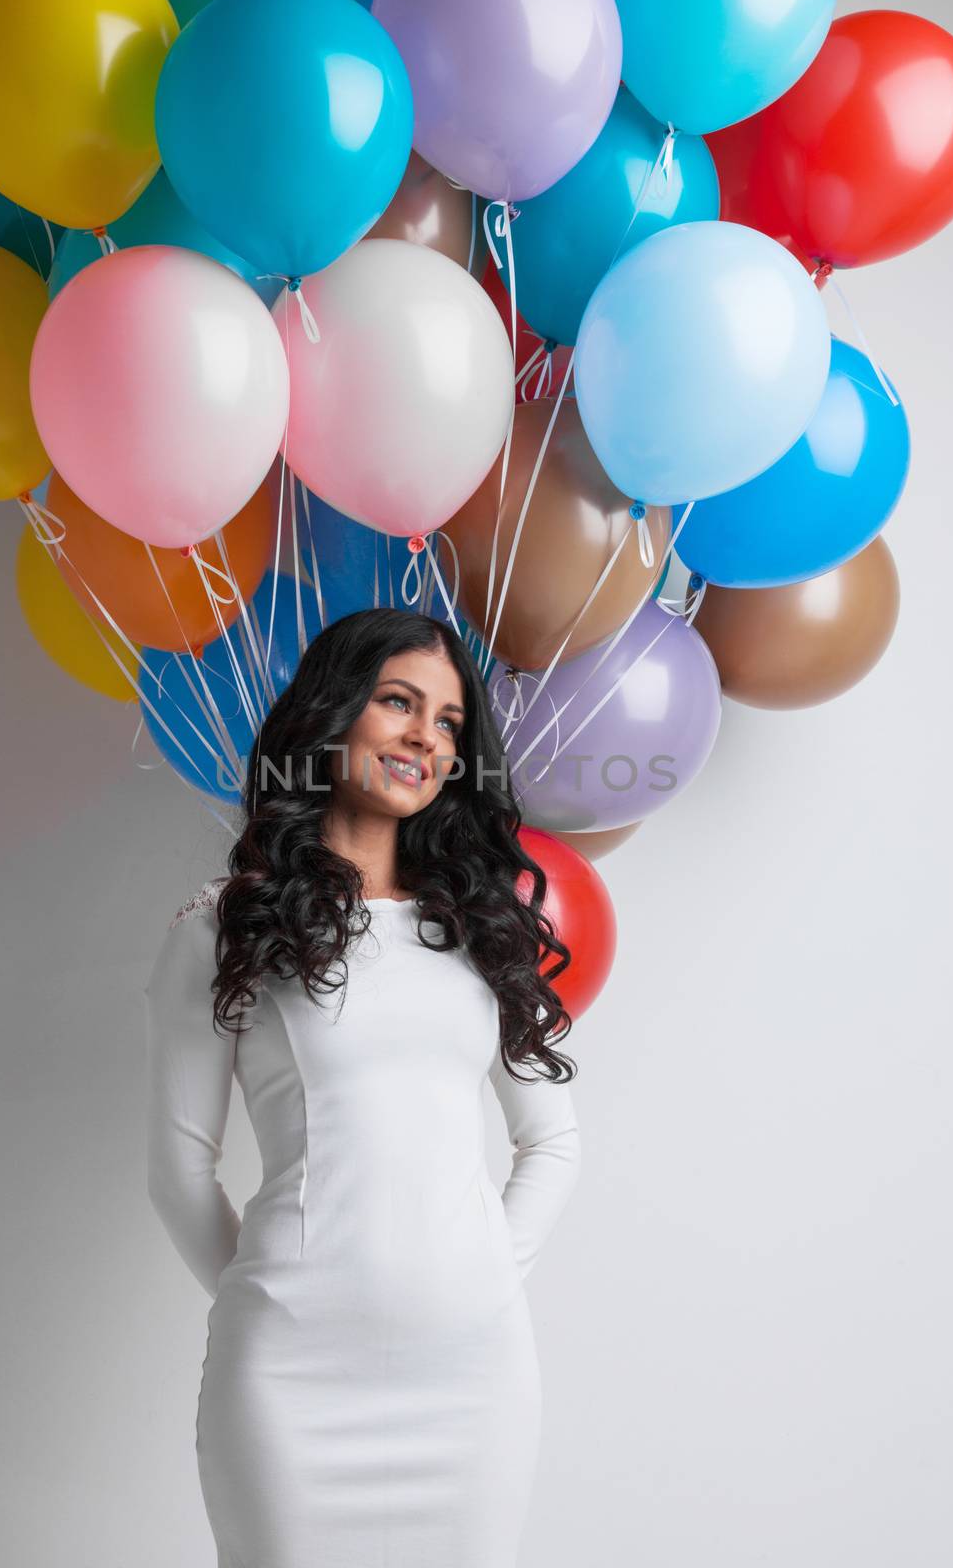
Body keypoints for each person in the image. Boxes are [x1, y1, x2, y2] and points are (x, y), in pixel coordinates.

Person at [144, 606, 582, 1567]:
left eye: (450, 722)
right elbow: (180, 1169)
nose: (427, 736)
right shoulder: (224, 931)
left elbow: (550, 1142)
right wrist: (277, 1294)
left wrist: (471, 1280)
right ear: (332, 714)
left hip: (472, 1377)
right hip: (290, 1377)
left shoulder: (483, 934)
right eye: (398, 702)